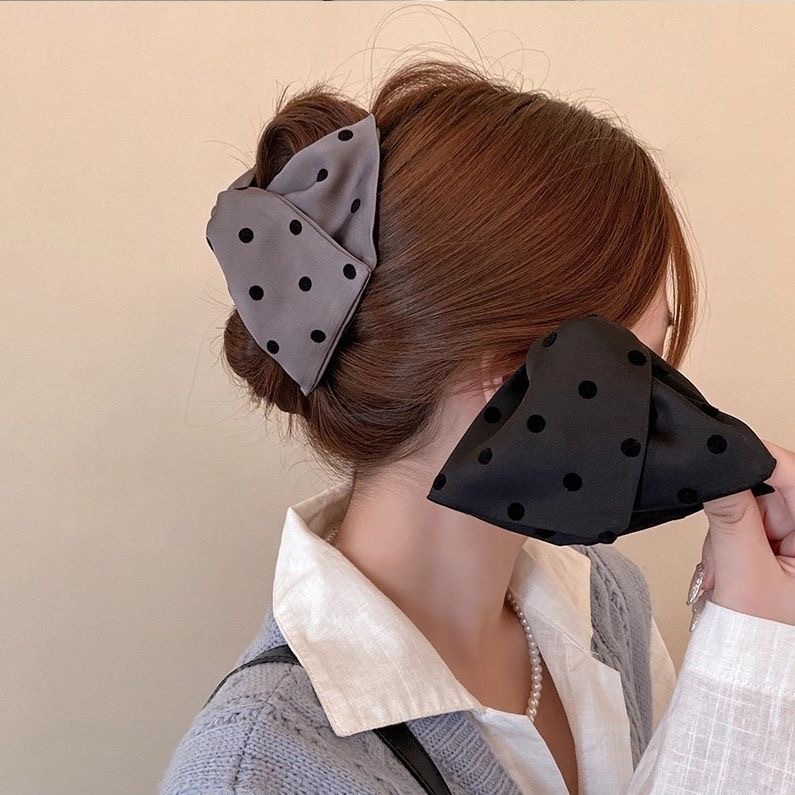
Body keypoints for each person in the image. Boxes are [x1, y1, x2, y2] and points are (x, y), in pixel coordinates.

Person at [160, 59, 795, 794]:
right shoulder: (256, 770)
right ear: (524, 372)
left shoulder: (604, 600)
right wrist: (747, 676)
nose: (671, 394)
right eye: (647, 360)